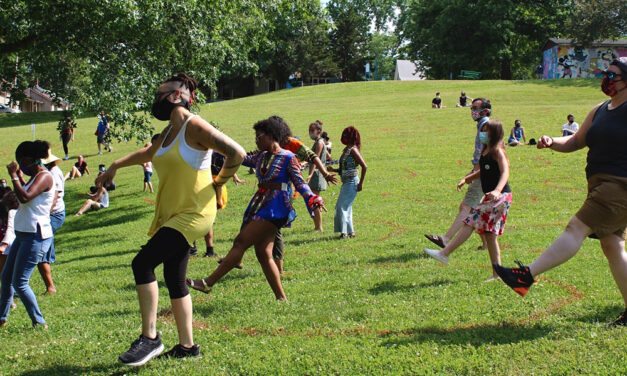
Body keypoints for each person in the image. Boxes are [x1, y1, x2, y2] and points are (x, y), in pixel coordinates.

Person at [96, 73, 245, 365]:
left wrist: (219, 182)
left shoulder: (194, 125)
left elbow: (236, 153)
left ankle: (150, 339)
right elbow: (148, 153)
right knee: (174, 278)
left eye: (160, 91)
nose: (156, 96)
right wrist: (114, 165)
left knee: (142, 263)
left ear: (178, 94)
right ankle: (188, 347)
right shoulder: (167, 133)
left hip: (194, 213)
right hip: (173, 213)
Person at [494, 58, 627, 326]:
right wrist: (552, 141)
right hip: (600, 184)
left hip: (620, 185)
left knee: (575, 228)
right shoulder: (600, 109)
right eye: (606, 74)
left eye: (613, 75)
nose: (607, 79)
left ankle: (525, 276)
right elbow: (577, 140)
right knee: (612, 245)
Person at [186, 116, 325, 300]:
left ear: (272, 136)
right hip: (260, 204)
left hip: (276, 207)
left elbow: (300, 183)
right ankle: (281, 298)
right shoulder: (261, 157)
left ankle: (207, 283)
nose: (256, 141)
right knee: (263, 253)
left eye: (260, 137)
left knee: (241, 242)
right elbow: (240, 157)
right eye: (256, 138)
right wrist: (217, 144)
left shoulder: (288, 158)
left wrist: (313, 198)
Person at [424, 120, 512, 281]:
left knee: (471, 221)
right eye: (482, 130)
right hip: (492, 197)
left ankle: (444, 253)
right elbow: (482, 173)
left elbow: (505, 171)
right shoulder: (486, 151)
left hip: (501, 197)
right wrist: (467, 179)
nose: (482, 133)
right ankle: (497, 274)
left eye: (486, 130)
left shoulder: (498, 151)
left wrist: (498, 190)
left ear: (495, 133)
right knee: (490, 236)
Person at [0, 140, 55, 328]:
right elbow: (24, 197)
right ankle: (2, 317)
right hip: (23, 234)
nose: (21, 167)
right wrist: (13, 192)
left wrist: (14, 176)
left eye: (22, 163)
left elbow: (25, 196)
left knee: (20, 282)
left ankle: (39, 322)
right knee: (6, 277)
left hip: (36, 236)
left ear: (28, 160)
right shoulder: (34, 176)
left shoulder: (45, 177)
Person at [424, 98, 491, 251]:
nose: (472, 111)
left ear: (485, 110)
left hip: (483, 172)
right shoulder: (483, 124)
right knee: (474, 209)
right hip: (482, 170)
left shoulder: (485, 125)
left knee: (466, 207)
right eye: (472, 108)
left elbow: (486, 152)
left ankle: (445, 239)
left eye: (475, 108)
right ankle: (487, 244)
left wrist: (475, 171)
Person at [327, 126, 367, 239]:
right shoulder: (346, 150)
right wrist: (333, 170)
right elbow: (345, 168)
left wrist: (361, 184)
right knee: (347, 207)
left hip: (352, 182)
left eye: (345, 135)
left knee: (341, 206)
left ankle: (344, 233)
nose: (343, 137)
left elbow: (364, 166)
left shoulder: (353, 149)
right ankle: (350, 232)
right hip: (346, 182)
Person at [37, 150, 65, 294]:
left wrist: (45, 213)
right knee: (41, 250)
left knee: (41, 250)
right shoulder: (51, 171)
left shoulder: (53, 173)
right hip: (50, 215)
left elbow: (56, 195)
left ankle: (50, 287)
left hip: (53, 215)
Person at [307, 120, 328, 231]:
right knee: (314, 200)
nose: (310, 133)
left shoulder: (319, 143)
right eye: (309, 131)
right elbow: (327, 156)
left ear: (319, 131)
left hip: (317, 175)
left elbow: (316, 160)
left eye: (312, 131)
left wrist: (310, 174)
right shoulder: (319, 142)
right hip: (316, 174)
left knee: (316, 200)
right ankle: (317, 226)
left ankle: (318, 227)